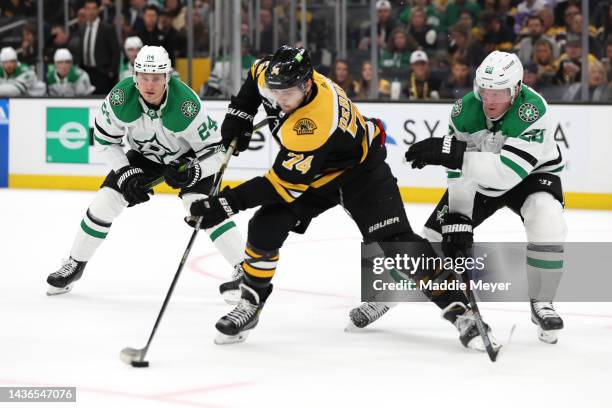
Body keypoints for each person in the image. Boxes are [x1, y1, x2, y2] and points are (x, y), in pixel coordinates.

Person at [188, 45, 493, 350]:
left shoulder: (315, 121)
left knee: (397, 241)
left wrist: (223, 204)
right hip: (315, 172)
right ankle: (250, 304)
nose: (279, 101)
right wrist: (238, 118)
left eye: (287, 94)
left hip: (360, 171)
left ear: (307, 84)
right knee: (265, 227)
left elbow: (281, 185)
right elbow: (252, 86)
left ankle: (462, 311)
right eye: (275, 91)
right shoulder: (273, 75)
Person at [46, 46, 245, 298]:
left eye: (157, 78)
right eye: (144, 77)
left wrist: (195, 171)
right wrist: (125, 171)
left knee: (199, 205)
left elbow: (217, 151)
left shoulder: (186, 105)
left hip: (188, 160)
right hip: (144, 157)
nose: (150, 85)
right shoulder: (120, 97)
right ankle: (75, 263)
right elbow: (105, 140)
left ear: (167, 77)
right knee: (105, 201)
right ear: (135, 75)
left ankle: (244, 268)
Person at [404, 50, 567, 344]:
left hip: (529, 175)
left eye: (500, 92)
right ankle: (384, 295)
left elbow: (507, 173)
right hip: (480, 177)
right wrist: (458, 217)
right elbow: (458, 171)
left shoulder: (533, 110)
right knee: (431, 238)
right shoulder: (464, 110)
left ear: (517, 89)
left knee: (547, 216)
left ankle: (542, 302)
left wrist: (455, 156)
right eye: (485, 91)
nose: (490, 100)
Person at [80, 0, 120, 94]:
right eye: (88, 9)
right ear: (84, 11)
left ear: (98, 10)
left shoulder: (107, 28)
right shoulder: (82, 28)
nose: (90, 12)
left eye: (93, 9)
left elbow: (116, 51)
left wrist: (111, 72)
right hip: (85, 72)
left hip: (102, 74)